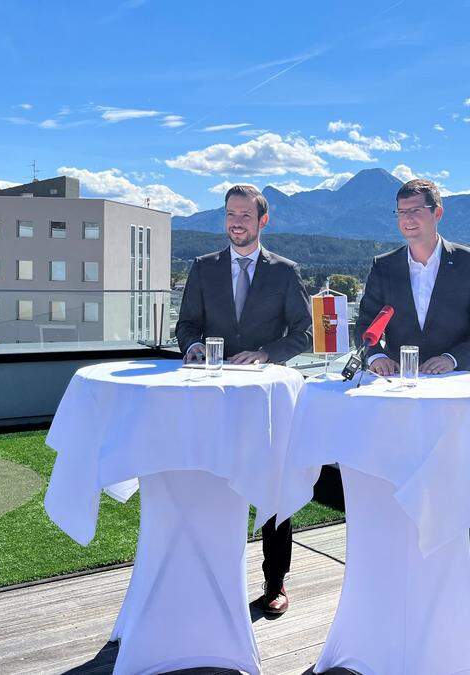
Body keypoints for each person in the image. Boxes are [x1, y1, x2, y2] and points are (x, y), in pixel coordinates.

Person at [174, 184, 312, 616]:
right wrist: (193, 347)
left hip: (265, 400)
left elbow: (303, 333)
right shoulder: (202, 268)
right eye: (230, 215)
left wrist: (267, 353)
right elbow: (187, 325)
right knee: (212, 485)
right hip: (212, 399)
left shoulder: (285, 272)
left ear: (262, 221)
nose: (236, 222)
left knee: (272, 490)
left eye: (245, 216)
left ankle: (275, 583)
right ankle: (211, 577)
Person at [359, 178, 470, 374]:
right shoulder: (384, 266)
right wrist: (377, 356)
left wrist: (452, 359)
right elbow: (365, 322)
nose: (407, 219)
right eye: (401, 212)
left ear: (438, 213)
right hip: (397, 381)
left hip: (454, 380)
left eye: (416, 210)